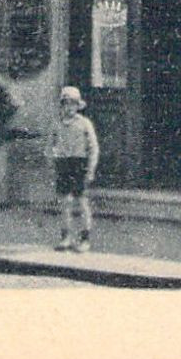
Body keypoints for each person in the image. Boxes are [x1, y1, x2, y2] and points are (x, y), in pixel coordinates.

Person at [51, 85, 101, 252]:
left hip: (79, 164)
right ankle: (66, 236)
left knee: (81, 201)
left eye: (73, 104)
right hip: (63, 163)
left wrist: (91, 169)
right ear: (62, 105)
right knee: (65, 202)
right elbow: (49, 145)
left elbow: (93, 147)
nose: (69, 107)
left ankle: (85, 238)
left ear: (77, 106)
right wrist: (52, 160)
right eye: (66, 103)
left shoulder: (84, 124)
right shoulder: (57, 124)